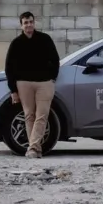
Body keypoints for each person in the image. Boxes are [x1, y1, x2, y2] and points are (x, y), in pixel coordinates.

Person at [5, 10, 60, 158]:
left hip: (44, 83)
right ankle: (35, 149)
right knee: (29, 115)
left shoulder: (45, 39)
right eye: (25, 23)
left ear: (34, 23)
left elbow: (55, 60)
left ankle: (33, 148)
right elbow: (9, 68)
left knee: (42, 115)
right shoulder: (16, 44)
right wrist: (13, 90)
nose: (29, 25)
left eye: (31, 22)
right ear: (21, 26)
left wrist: (52, 78)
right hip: (24, 84)